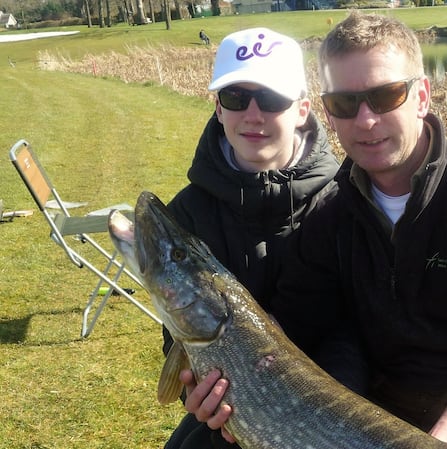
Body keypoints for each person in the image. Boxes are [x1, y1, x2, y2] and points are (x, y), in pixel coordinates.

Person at [183, 12, 447, 449]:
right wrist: (216, 382)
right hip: (366, 417)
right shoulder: (329, 217)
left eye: (385, 96)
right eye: (345, 104)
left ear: (421, 96)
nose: (365, 120)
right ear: (327, 112)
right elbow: (293, 329)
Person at [162, 27, 339, 449]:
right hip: (232, 415)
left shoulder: (343, 202)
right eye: (236, 98)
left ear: (302, 109)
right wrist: (195, 392)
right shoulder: (188, 212)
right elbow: (180, 335)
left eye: (272, 98)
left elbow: (361, 330)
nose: (253, 115)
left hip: (337, 407)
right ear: (218, 109)